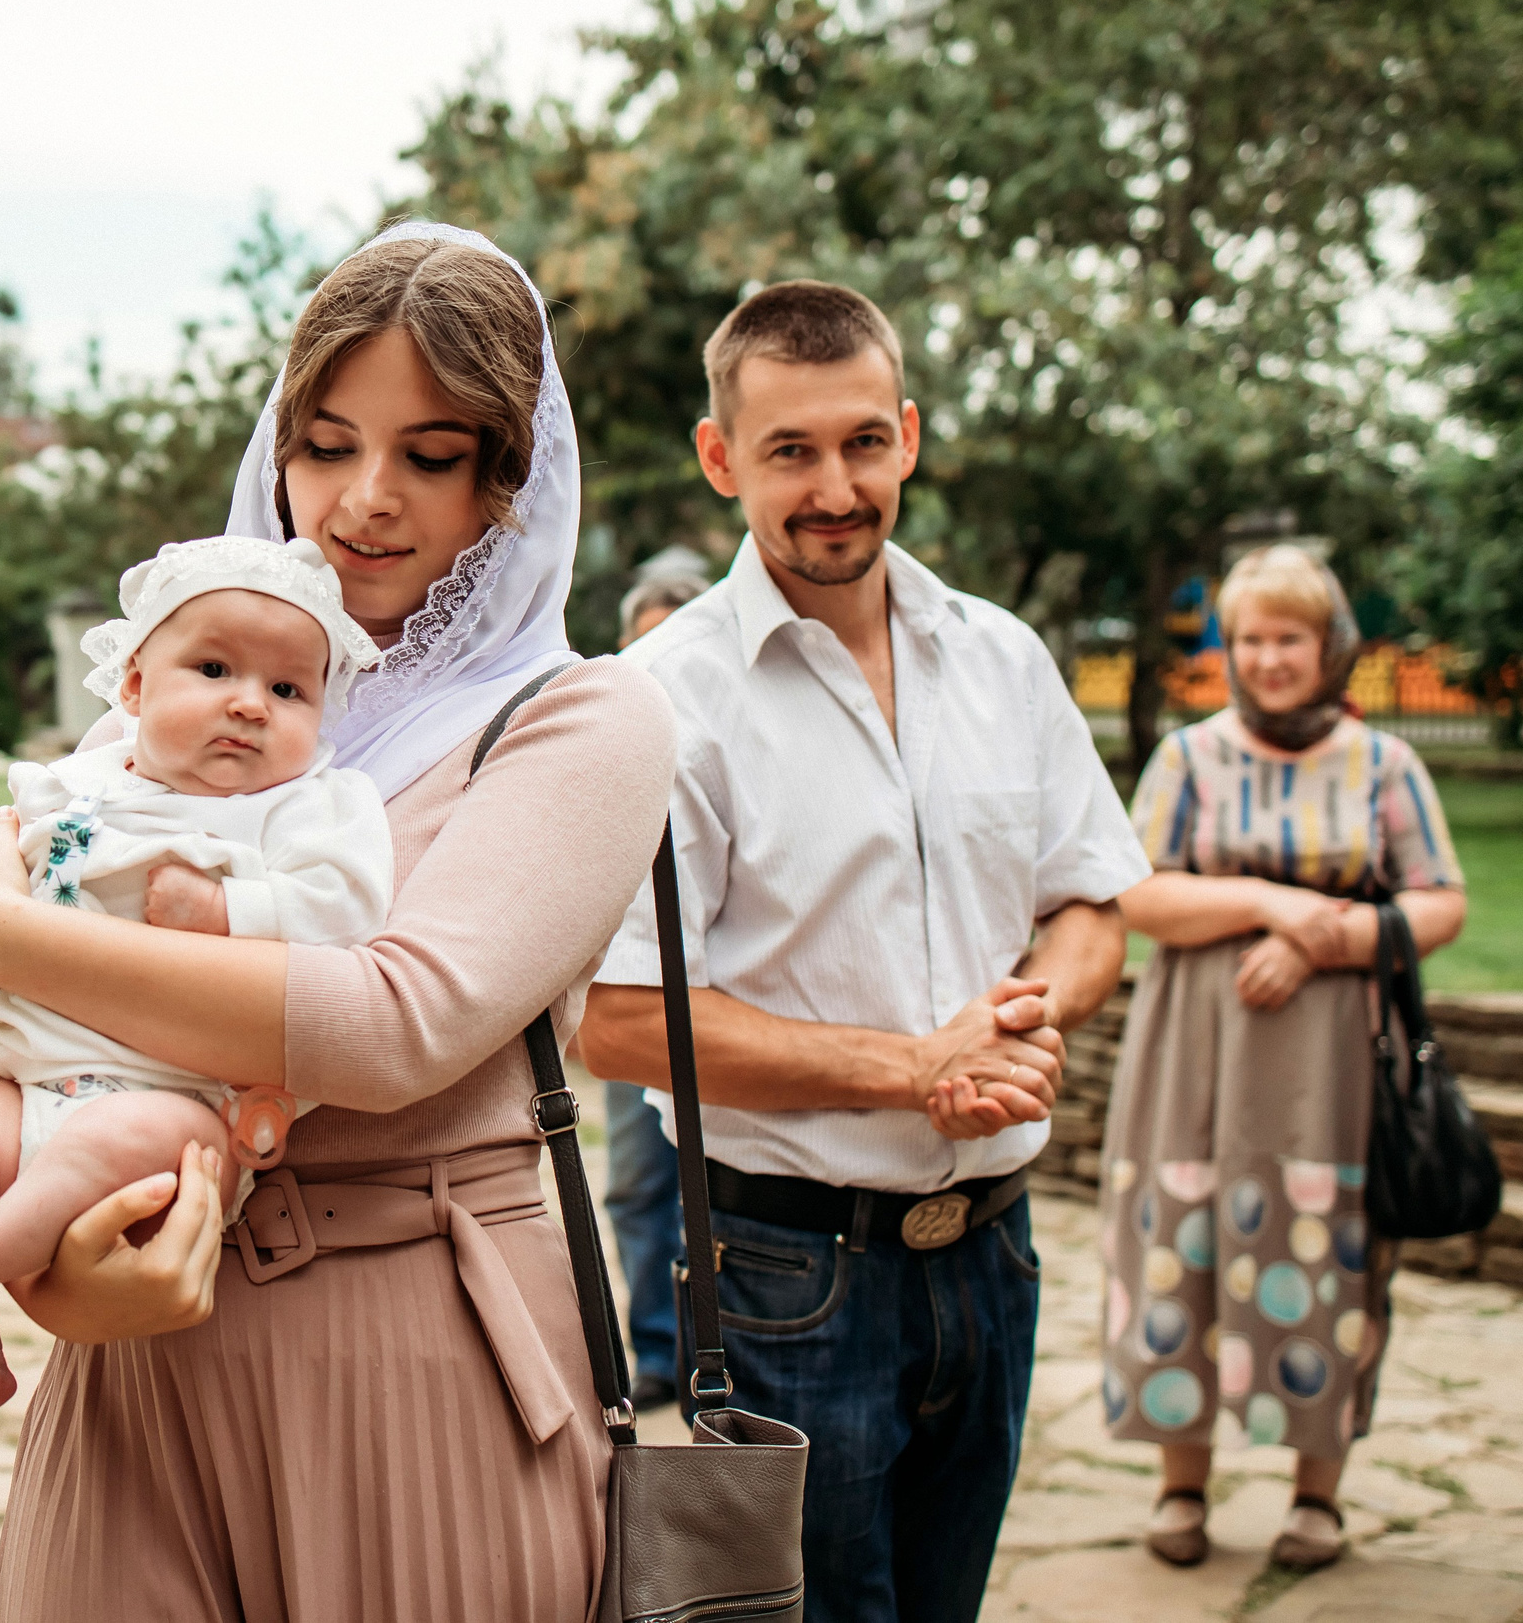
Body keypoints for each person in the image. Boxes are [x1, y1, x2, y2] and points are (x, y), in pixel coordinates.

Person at [0, 221, 675, 1622]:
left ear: (506, 487)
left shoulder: (580, 716)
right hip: (146, 1344)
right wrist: (68, 1279)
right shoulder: (162, 709)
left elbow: (396, 1023)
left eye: (432, 454)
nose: (364, 501)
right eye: (326, 444)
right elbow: (17, 1031)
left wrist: (12, 938)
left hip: (414, 1352)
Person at [577, 280, 1151, 1623]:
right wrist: (912, 1067)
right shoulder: (663, 702)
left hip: (996, 1258)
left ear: (906, 434)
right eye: (789, 451)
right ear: (723, 459)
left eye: (860, 443)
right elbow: (615, 1019)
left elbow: (1092, 909)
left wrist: (1013, 1024)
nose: (835, 486)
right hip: (786, 1274)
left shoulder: (1005, 657)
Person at [0, 535, 393, 1436]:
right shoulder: (78, 786)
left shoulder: (309, 805)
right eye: (215, 668)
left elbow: (349, 906)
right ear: (136, 686)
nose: (249, 705)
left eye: (289, 689)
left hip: (183, 1102)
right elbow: (6, 915)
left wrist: (230, 905)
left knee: (112, 1134)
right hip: (28, 1083)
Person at [1105, 542, 1466, 1572]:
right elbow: (1139, 894)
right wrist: (1278, 907)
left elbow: (1438, 897)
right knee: (1182, 1240)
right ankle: (1180, 1480)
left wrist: (1327, 941)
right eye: (1250, 639)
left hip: (1331, 1058)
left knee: (1328, 1247)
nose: (1267, 659)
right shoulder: (1185, 759)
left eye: (1289, 640)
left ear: (1330, 649)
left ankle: (1317, 1494)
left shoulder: (1384, 765)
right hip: (1192, 1049)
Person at [599, 551, 712, 1410]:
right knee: (640, 1184)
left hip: (721, 1009)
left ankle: (719, 1342)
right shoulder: (603, 738)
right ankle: (659, 1352)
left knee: (718, 1188)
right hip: (631, 1002)